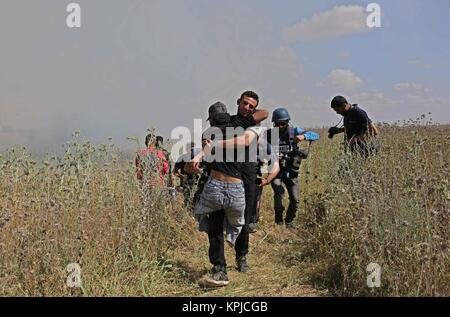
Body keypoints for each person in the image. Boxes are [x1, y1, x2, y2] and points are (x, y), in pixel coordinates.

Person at [189, 101, 262, 288]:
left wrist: (200, 156)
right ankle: (235, 253)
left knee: (214, 228)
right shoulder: (238, 128)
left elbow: (207, 156)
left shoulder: (211, 133)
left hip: (222, 184)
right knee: (238, 224)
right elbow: (263, 114)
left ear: (211, 118)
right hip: (236, 185)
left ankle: (222, 266)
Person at [206, 91, 269, 273]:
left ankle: (241, 256)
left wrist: (217, 142)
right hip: (222, 175)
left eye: (251, 106)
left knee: (243, 221)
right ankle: (218, 265)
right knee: (216, 222)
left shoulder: (254, 125)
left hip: (247, 178)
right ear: (238, 102)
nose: (247, 108)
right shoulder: (228, 122)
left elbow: (246, 137)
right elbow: (210, 134)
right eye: (245, 103)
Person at [266, 108, 320, 227]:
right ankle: (278, 219)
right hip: (276, 172)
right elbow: (258, 146)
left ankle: (289, 221)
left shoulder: (294, 131)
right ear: (274, 123)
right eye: (277, 124)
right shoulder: (269, 134)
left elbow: (316, 135)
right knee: (279, 193)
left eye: (283, 123)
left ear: (288, 122)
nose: (280, 126)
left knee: (295, 199)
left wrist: (304, 136)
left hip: (292, 171)